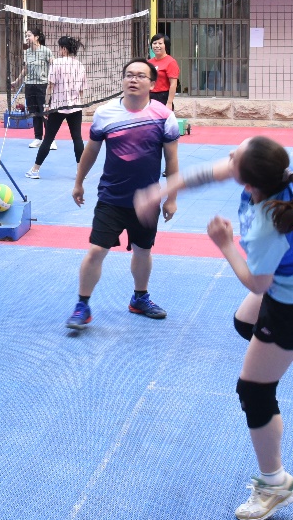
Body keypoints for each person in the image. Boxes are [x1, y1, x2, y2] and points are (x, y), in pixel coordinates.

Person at [135, 137, 293, 520]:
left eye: (234, 156)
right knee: (244, 322)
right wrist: (161, 190)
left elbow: (257, 283)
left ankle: (275, 483)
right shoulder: (278, 176)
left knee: (254, 391)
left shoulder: (269, 224)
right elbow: (213, 171)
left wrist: (225, 244)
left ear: (248, 181)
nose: (228, 157)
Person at [64, 58, 179, 330]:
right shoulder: (105, 113)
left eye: (140, 75)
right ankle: (82, 305)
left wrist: (171, 198)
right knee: (96, 250)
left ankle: (140, 298)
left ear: (152, 84)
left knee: (143, 251)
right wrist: (79, 182)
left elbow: (172, 160)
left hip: (147, 201)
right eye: (128, 75)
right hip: (111, 198)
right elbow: (91, 150)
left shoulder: (164, 116)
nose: (133, 79)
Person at [26, 36, 86, 180]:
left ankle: (35, 170)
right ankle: (81, 172)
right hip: (75, 107)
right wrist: (79, 103)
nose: (59, 50)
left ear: (64, 49)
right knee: (77, 139)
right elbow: (81, 90)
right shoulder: (80, 65)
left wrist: (46, 105)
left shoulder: (57, 63)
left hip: (58, 107)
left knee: (48, 139)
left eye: (60, 48)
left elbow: (50, 86)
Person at [13, 27, 54, 149]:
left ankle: (50, 139)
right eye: (26, 36)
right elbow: (25, 69)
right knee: (34, 113)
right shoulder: (27, 52)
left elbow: (53, 65)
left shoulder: (46, 51)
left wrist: (53, 81)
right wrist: (16, 81)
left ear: (36, 37)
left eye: (29, 35)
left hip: (43, 86)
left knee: (45, 112)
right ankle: (38, 138)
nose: (27, 38)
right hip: (30, 85)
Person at [148, 33, 179, 110]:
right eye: (154, 43)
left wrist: (169, 103)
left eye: (160, 43)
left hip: (163, 97)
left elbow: (173, 84)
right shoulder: (149, 62)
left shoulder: (171, 62)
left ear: (166, 45)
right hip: (149, 96)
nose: (157, 46)